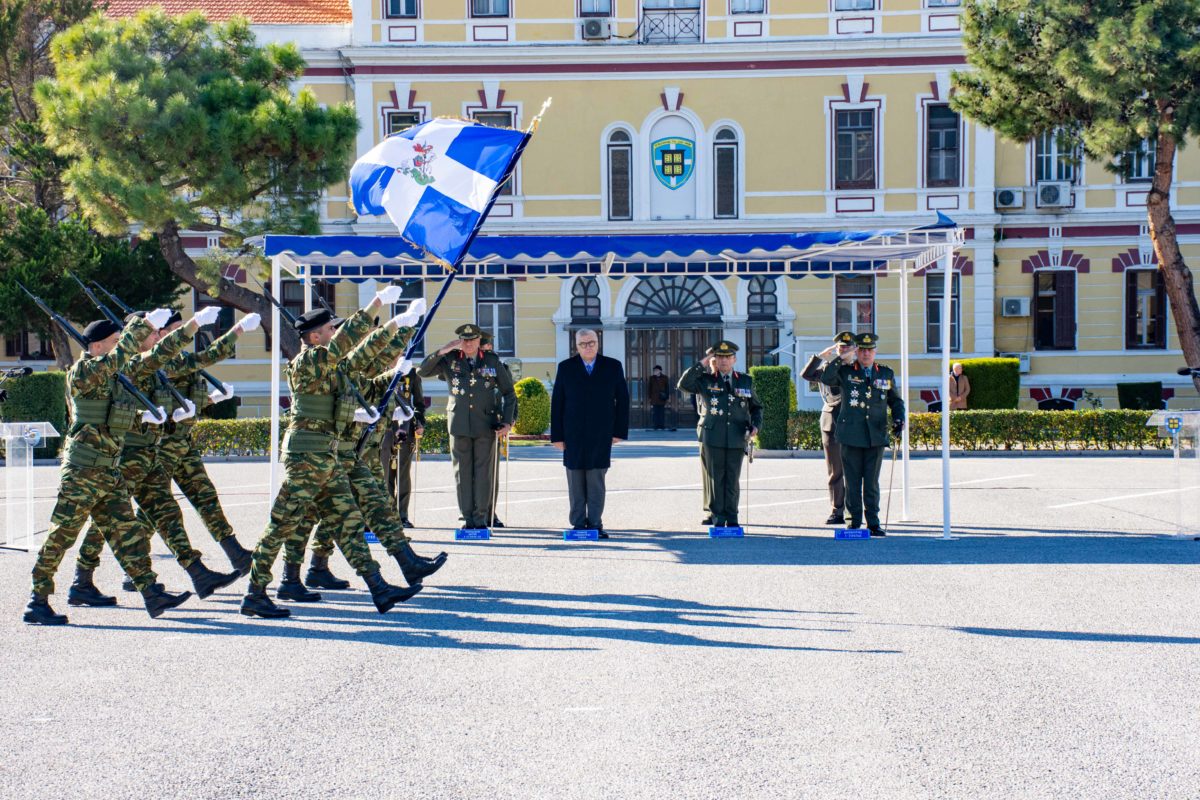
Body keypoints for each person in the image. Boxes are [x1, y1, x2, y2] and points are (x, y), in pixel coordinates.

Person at [240, 289, 423, 619]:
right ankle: (255, 592)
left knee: (349, 522)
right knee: (281, 525)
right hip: (305, 456)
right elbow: (348, 342)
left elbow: (358, 357)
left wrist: (396, 349)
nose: (334, 335)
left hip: (326, 455)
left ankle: (378, 587)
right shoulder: (308, 361)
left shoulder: (330, 366)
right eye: (328, 331)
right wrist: (383, 311)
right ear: (314, 337)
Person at [24, 311, 198, 625]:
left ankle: (150, 591)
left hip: (108, 470)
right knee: (62, 535)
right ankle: (37, 600)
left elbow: (112, 415)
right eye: (115, 342)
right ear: (100, 346)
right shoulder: (84, 371)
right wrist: (142, 326)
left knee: (127, 532)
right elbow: (119, 359)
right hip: (83, 471)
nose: (121, 346)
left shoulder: (109, 375)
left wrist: (146, 418)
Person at [418, 323, 516, 530]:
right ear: (459, 341)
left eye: (472, 340)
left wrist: (507, 422)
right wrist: (443, 350)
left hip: (485, 425)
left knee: (483, 474)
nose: (468, 344)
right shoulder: (450, 359)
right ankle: (465, 518)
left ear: (480, 341)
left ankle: (480, 519)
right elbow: (422, 371)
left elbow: (509, 393)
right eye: (465, 340)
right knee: (462, 473)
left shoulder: (491, 361)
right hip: (459, 424)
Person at [820, 332, 905, 537]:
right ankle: (853, 521)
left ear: (875, 351)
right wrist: (841, 356)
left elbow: (896, 401)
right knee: (852, 480)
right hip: (851, 435)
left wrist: (899, 419)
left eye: (870, 350)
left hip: (875, 435)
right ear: (857, 351)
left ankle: (873, 522)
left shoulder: (885, 373)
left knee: (872, 482)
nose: (866, 354)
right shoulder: (846, 371)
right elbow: (825, 377)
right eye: (862, 350)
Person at [550, 328, 630, 537]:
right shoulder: (566, 368)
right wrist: (557, 436)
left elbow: (623, 400)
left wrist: (619, 431)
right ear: (576, 346)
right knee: (575, 480)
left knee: (596, 480)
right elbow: (557, 403)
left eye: (592, 342)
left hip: (601, 433)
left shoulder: (612, 366)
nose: (588, 347)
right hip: (572, 434)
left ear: (598, 342)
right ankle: (577, 524)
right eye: (583, 344)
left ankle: (595, 523)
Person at [678, 340, 762, 529]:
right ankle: (718, 518)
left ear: (734, 359)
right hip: (713, 436)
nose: (724, 361)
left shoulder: (745, 380)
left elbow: (756, 407)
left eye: (728, 357)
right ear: (715, 359)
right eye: (720, 357)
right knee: (716, 478)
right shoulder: (706, 380)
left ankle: (732, 518)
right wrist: (704, 361)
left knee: (732, 478)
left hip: (736, 435)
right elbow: (684, 384)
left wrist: (756, 426)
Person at [801, 331, 856, 525]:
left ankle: (853, 511)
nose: (843, 351)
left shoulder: (858, 369)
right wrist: (820, 357)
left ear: (855, 349)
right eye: (840, 347)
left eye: (847, 348)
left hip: (854, 425)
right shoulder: (828, 368)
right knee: (835, 472)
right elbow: (806, 375)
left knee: (854, 471)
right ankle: (836, 510)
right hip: (831, 423)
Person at [382, 360, 425, 528]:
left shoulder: (412, 374)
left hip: (406, 428)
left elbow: (420, 403)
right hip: (385, 428)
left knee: (403, 473)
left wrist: (420, 423)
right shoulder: (378, 370)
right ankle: (387, 515)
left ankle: (402, 515)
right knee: (385, 473)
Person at [647, 365, 669, 430]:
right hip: (654, 398)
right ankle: (655, 426)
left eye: (656, 370)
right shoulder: (651, 378)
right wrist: (650, 397)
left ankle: (662, 425)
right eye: (654, 370)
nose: (655, 371)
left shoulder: (665, 377)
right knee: (655, 413)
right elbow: (649, 388)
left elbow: (667, 387)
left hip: (662, 397)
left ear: (660, 371)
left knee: (661, 413)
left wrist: (666, 396)